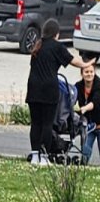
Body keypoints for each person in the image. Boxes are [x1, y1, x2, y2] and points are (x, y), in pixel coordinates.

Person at [26, 19, 93, 166]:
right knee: (47, 124)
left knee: (36, 123)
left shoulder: (38, 45)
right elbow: (72, 60)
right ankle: (44, 156)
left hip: (33, 89)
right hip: (48, 90)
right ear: (56, 34)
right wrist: (86, 64)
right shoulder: (56, 46)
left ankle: (35, 154)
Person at [75, 63, 100, 164]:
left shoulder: (99, 85)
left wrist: (84, 109)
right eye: (86, 72)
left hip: (99, 123)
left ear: (94, 73)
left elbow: (95, 102)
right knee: (85, 152)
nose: (89, 74)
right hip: (88, 126)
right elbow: (72, 99)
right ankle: (83, 169)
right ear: (82, 74)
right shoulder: (78, 86)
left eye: (91, 72)